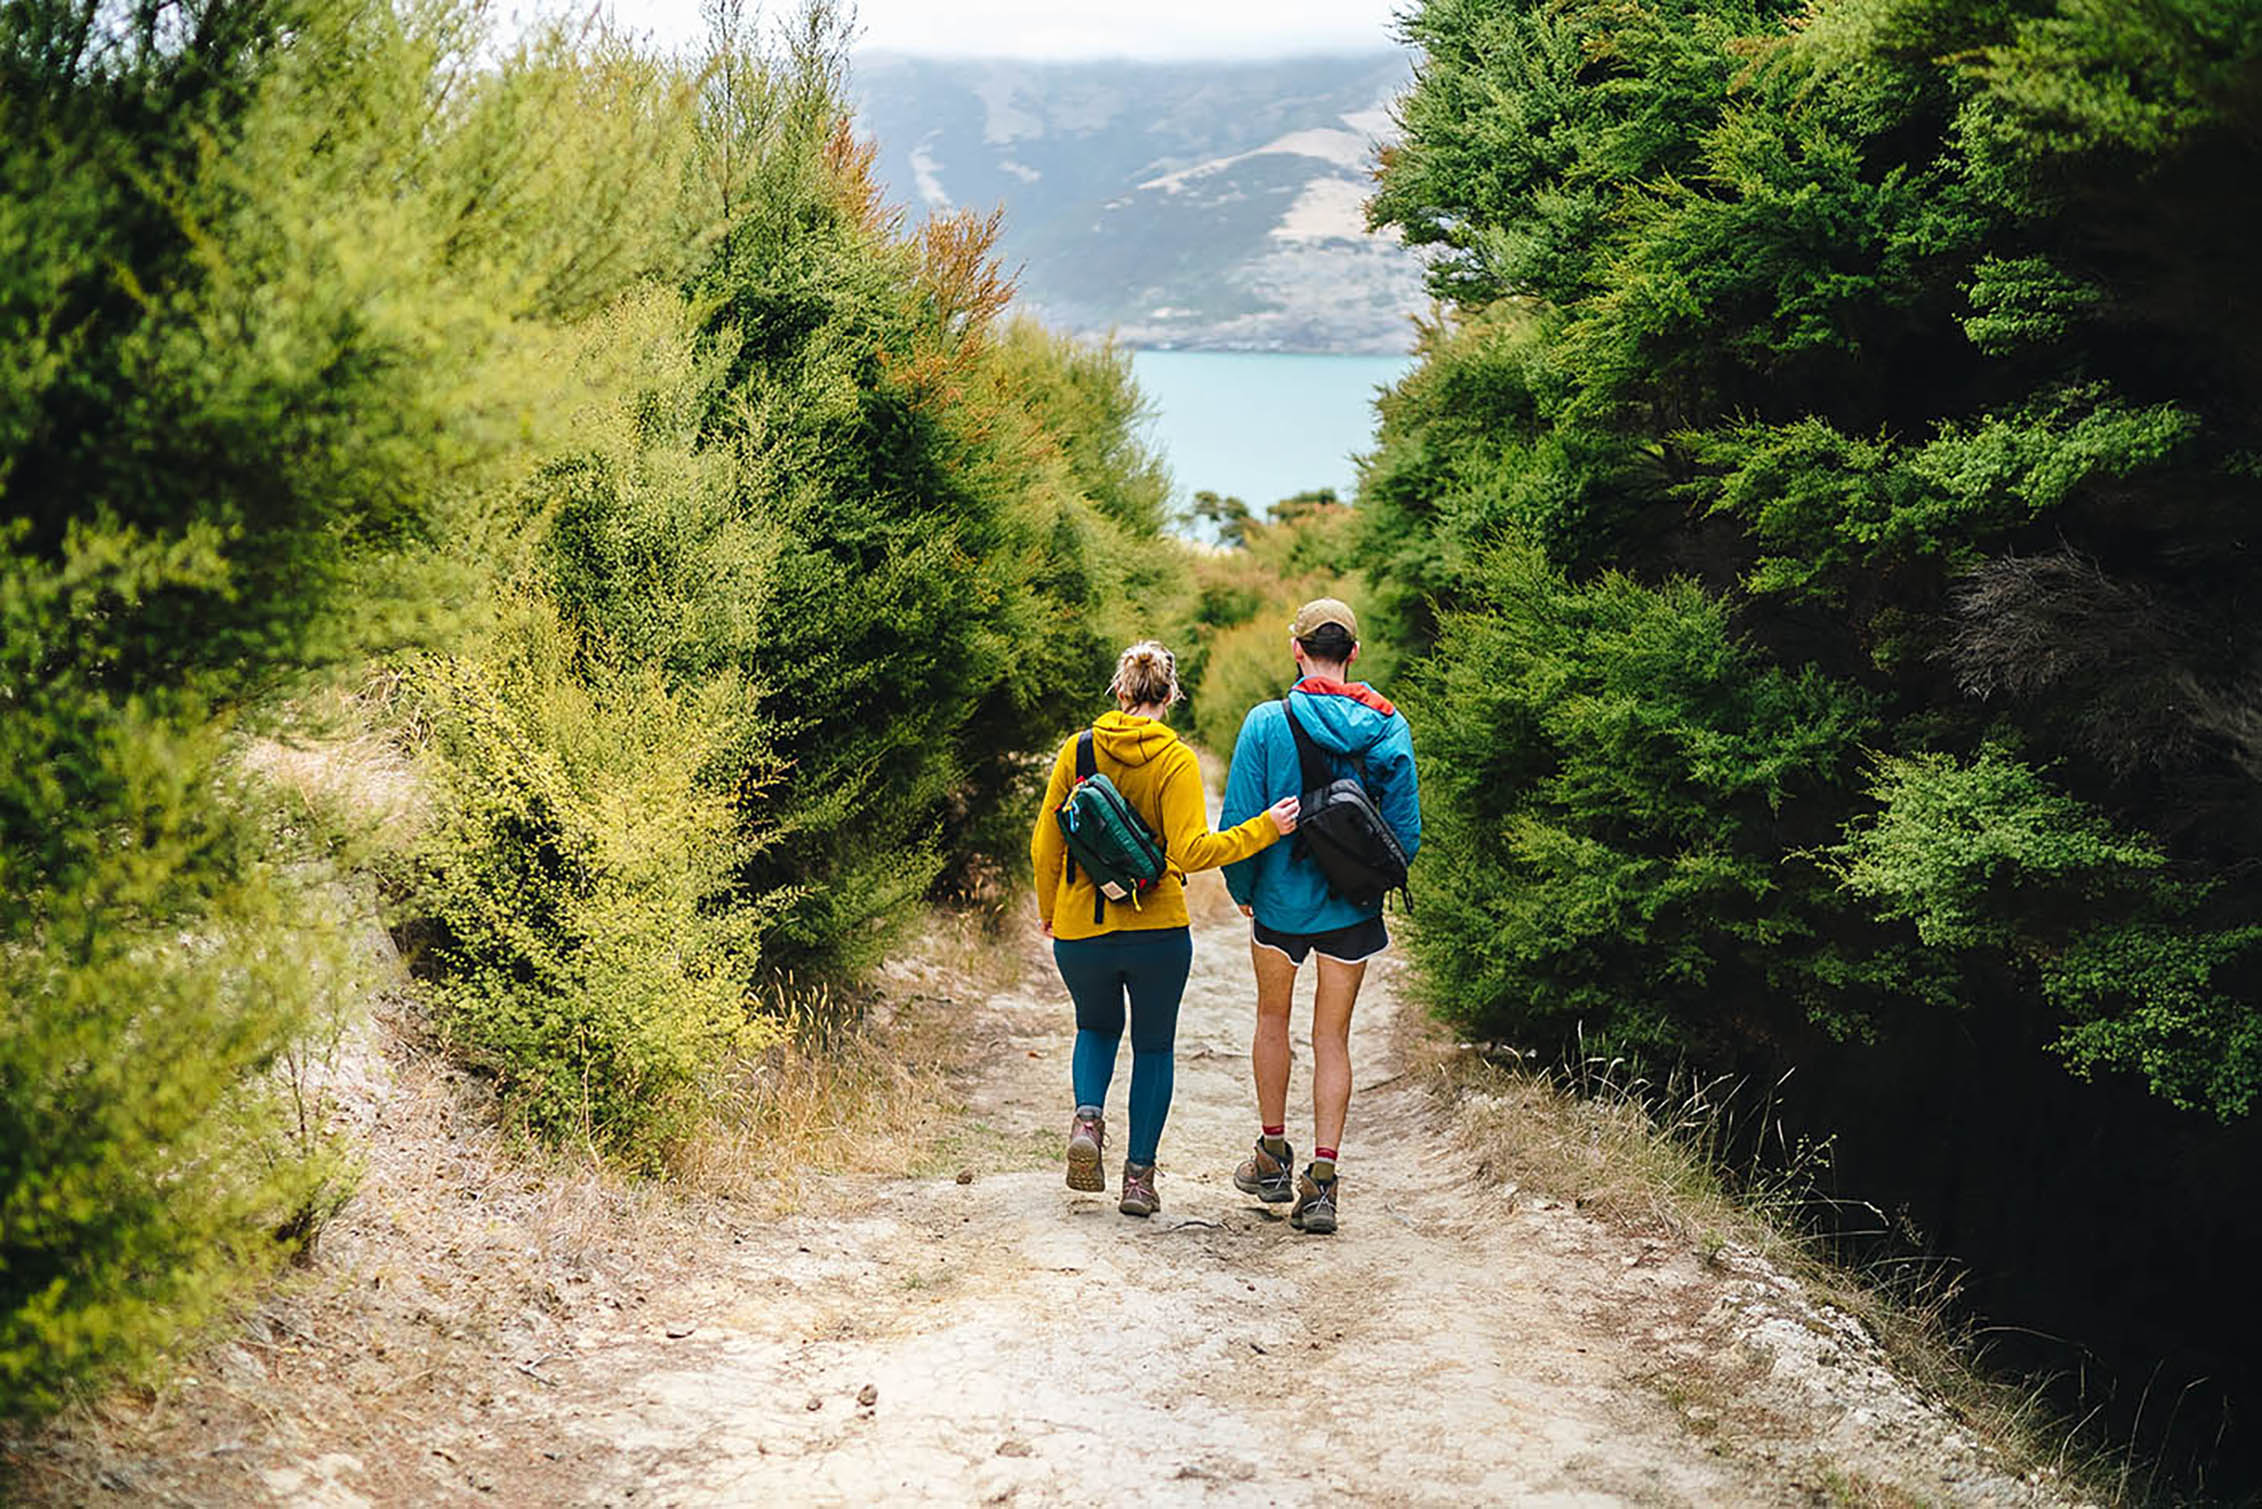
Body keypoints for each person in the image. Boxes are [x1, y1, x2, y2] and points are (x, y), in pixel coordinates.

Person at [1030, 641, 1298, 1217]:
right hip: (1157, 932)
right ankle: (1138, 1181)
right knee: (1153, 1047)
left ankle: (1087, 1119)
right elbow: (1194, 851)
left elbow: (1045, 842)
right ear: (1171, 696)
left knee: (1095, 1028)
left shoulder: (1077, 752)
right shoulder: (1175, 760)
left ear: (1119, 691)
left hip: (1082, 929)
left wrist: (1050, 907)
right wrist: (1265, 830)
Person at [1220, 598, 1419, 1235]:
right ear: (1353, 653)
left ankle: (1273, 1157)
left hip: (1278, 900)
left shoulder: (1265, 722)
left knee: (1271, 1018)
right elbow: (1406, 832)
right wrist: (1367, 879)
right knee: (1332, 1038)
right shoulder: (1389, 725)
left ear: (1297, 649)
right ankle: (1324, 1183)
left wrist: (1244, 889)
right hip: (1352, 909)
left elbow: (1239, 822)